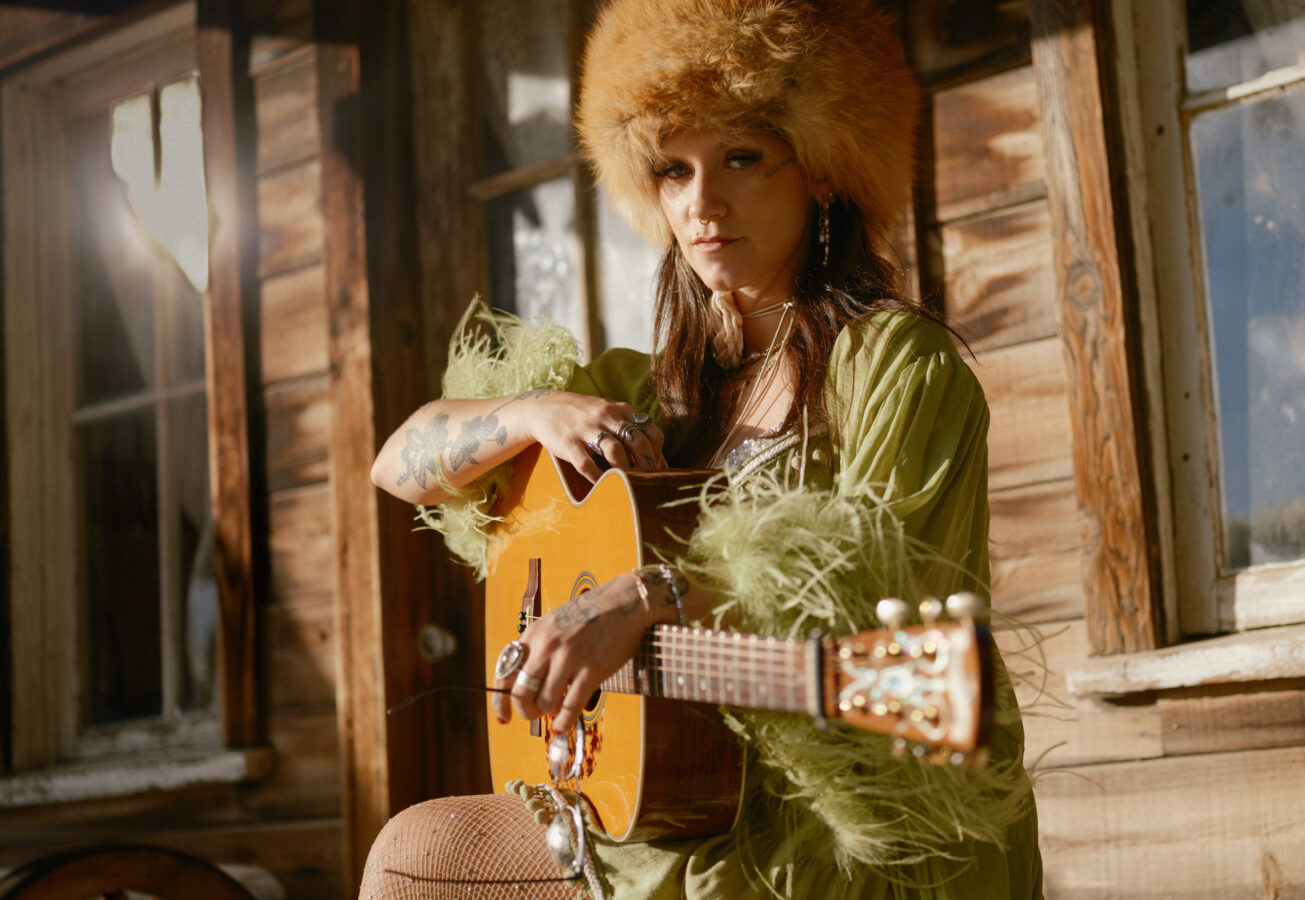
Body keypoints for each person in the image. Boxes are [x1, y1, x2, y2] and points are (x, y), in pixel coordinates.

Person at [361, 1, 1043, 897]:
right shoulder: (640, 393)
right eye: (673, 170)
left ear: (825, 170)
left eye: (742, 159)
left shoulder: (895, 364)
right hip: (659, 802)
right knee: (413, 857)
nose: (701, 203)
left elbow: (867, 568)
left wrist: (648, 597)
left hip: (820, 823)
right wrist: (530, 413)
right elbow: (399, 465)